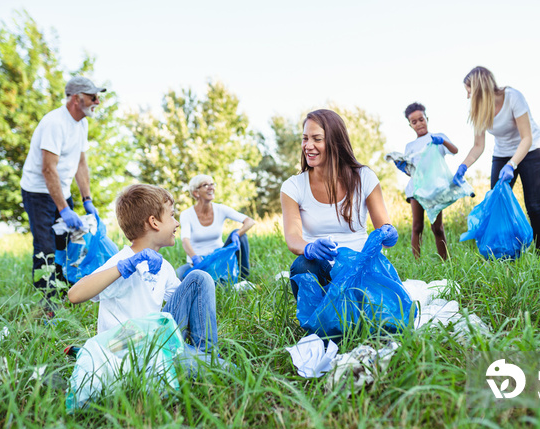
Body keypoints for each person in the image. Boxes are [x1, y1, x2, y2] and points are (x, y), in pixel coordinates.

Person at [68, 184, 225, 369]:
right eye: (172, 215)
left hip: (156, 340)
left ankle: (207, 353)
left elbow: (185, 301)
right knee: (228, 370)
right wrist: (125, 266)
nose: (177, 223)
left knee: (200, 278)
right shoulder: (122, 261)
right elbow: (75, 295)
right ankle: (204, 362)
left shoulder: (163, 267)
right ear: (154, 222)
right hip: (127, 351)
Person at [280, 109, 398, 299]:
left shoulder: (364, 177)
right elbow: (293, 237)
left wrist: (388, 232)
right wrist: (309, 248)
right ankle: (320, 320)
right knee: (301, 266)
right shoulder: (293, 187)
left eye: (317, 139)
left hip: (361, 267)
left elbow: (384, 227)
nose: (308, 146)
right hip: (322, 269)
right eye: (305, 139)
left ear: (335, 142)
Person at [20, 76, 105, 303]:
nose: (97, 101)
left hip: (61, 191)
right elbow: (48, 170)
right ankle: (47, 300)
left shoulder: (82, 123)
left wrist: (87, 199)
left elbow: (80, 163)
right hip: (38, 193)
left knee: (68, 243)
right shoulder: (54, 123)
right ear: (77, 98)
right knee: (46, 246)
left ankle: (65, 290)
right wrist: (64, 209)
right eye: (93, 97)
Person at [453, 66, 540, 253]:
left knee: (534, 206)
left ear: (479, 88)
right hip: (502, 154)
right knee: (496, 204)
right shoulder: (479, 110)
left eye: (469, 91)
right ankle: (503, 253)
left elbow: (526, 138)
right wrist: (463, 166)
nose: (468, 97)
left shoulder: (513, 97)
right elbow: (478, 146)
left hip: (531, 150)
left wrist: (512, 164)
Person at [393, 102, 459, 260]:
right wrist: (402, 167)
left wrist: (442, 142)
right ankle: (417, 263)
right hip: (416, 190)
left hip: (435, 189)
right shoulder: (410, 146)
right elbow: (413, 172)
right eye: (414, 122)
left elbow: (455, 151)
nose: (419, 123)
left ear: (426, 118)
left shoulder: (438, 137)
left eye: (421, 119)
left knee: (437, 227)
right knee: (417, 226)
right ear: (410, 125)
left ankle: (445, 261)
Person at [176, 175, 255, 280]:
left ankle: (244, 278)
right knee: (178, 275)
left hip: (219, 259)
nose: (211, 187)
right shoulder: (187, 214)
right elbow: (185, 241)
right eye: (205, 185)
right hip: (198, 263)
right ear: (196, 192)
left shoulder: (220, 209)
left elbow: (250, 221)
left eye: (212, 184)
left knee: (240, 235)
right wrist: (195, 258)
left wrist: (237, 234)